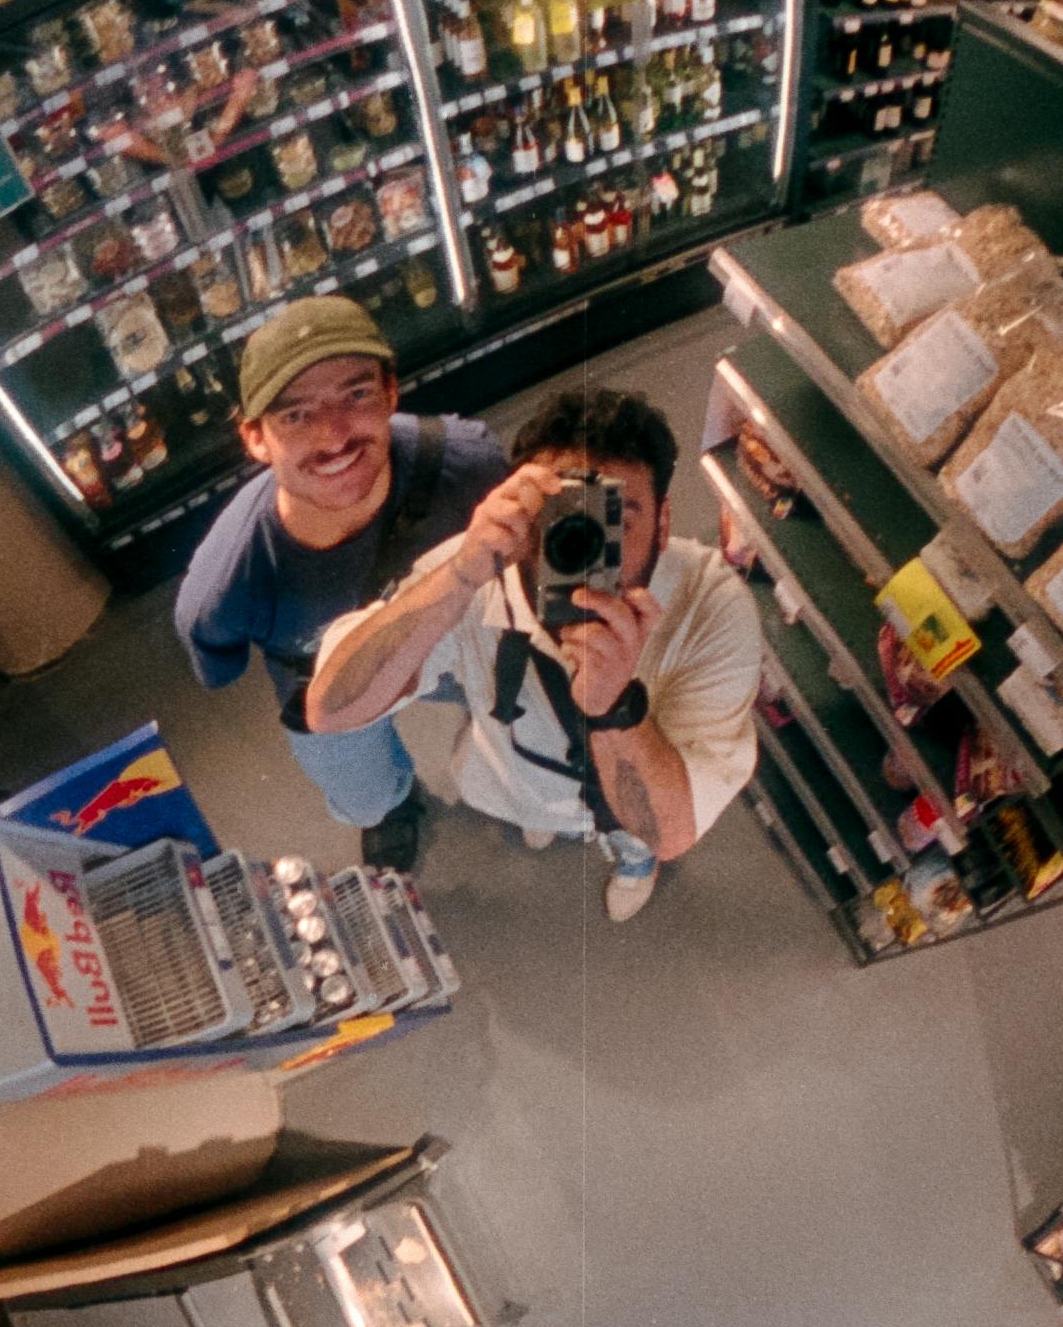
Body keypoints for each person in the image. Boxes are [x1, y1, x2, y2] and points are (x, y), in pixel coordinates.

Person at [299, 377, 762, 924]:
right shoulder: (477, 571)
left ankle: (632, 864)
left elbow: (671, 832)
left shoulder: (710, 606)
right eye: (563, 515)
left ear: (663, 526)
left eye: (616, 518)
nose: (586, 544)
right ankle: (546, 824)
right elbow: (331, 710)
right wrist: (460, 576)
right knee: (531, 812)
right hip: (513, 782)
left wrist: (615, 706)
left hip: (626, 800)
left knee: (636, 842)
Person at [170, 294, 507, 872]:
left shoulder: (466, 462)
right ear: (255, 437)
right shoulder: (223, 586)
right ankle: (392, 804)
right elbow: (218, 666)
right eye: (295, 415)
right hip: (324, 682)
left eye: (356, 395)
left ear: (391, 392)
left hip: (450, 636)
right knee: (364, 795)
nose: (333, 437)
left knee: (518, 703)